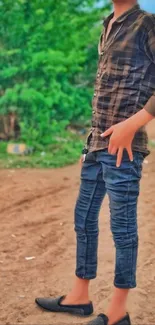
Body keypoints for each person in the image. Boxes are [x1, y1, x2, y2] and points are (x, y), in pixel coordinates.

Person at [35, 1, 155, 324]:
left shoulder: (146, 24)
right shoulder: (108, 23)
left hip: (124, 148)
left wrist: (132, 125)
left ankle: (118, 313)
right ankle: (79, 296)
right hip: (97, 143)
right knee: (84, 217)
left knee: (122, 226)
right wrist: (91, 139)